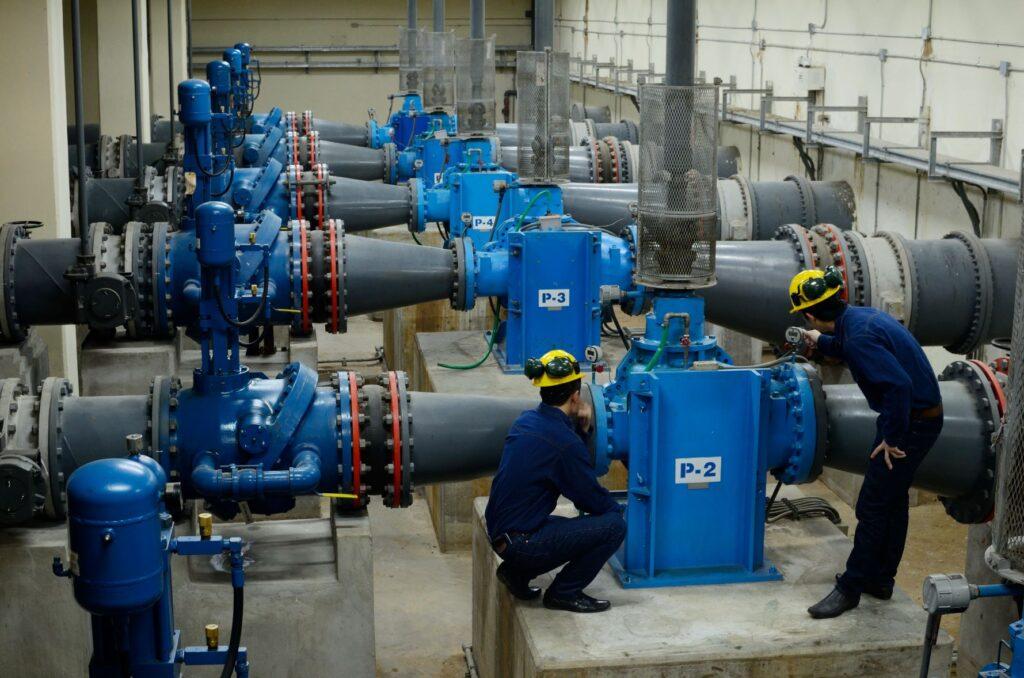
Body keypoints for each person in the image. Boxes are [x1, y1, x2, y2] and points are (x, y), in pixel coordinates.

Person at [789, 266, 944, 619]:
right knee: (892, 500)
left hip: (909, 424)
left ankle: (850, 588)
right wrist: (818, 341)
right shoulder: (859, 319)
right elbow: (845, 345)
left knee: (872, 506)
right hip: (918, 416)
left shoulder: (858, 336)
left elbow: (899, 387)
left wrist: (891, 438)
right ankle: (880, 579)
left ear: (809, 314)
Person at [485, 349, 626, 613]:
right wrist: (616, 511)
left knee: (566, 527)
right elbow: (590, 498)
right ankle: (563, 593)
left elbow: (560, 454)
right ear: (575, 396)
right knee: (614, 526)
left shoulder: (526, 420)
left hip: (501, 533)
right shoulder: (564, 443)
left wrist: (581, 432)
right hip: (522, 543)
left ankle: (515, 573)